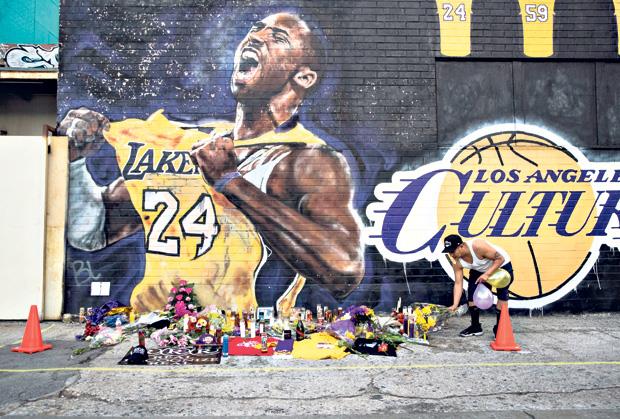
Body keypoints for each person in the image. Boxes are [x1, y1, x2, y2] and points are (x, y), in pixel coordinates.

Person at [58, 13, 364, 314]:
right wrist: (74, 160)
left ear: (303, 77)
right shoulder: (188, 144)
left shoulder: (306, 159)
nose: (256, 37)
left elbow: (344, 272)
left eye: (278, 38)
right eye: (256, 29)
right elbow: (92, 231)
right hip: (159, 326)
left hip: (240, 333)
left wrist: (230, 182)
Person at [442, 234, 514, 337]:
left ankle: (500, 327)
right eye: (449, 252)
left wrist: (487, 274)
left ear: (461, 246)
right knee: (472, 295)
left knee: (502, 295)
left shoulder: (477, 246)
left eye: (453, 251)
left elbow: (500, 258)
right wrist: (455, 305)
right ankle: (475, 327)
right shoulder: (457, 261)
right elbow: (458, 283)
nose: (451, 254)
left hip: (500, 266)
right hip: (479, 269)